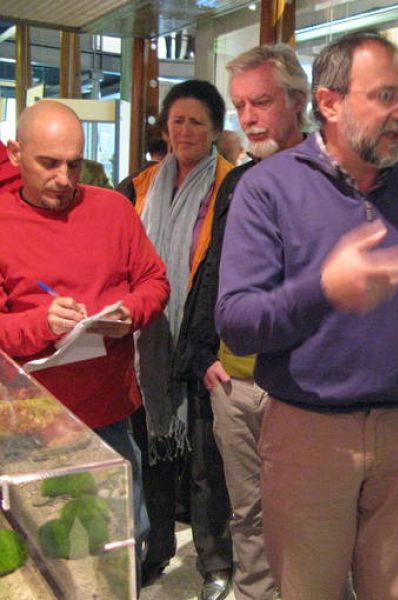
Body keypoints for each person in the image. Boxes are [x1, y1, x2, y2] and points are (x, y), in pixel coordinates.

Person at [216, 30, 398, 600]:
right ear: (329, 103)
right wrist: (324, 288)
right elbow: (235, 319)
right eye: (385, 96)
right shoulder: (268, 189)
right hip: (310, 434)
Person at [0, 100, 169, 577]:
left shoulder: (111, 209)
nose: (64, 178)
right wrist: (41, 323)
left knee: (121, 543)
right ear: (15, 154)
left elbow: (155, 281)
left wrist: (129, 314)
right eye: (48, 163)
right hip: (29, 422)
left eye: (74, 163)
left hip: (109, 414)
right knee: (44, 553)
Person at [172, 43, 309, 600]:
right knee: (247, 513)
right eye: (240, 106)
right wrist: (203, 355)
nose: (249, 117)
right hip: (234, 380)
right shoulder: (239, 181)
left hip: (302, 388)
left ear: (299, 102)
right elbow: (214, 274)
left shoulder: (332, 180)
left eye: (263, 101)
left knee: (308, 517)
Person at [129, 80, 235, 599]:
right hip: (147, 339)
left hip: (204, 341)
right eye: (177, 120)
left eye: (197, 121)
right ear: (165, 127)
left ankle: (215, 562)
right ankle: (156, 547)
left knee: (205, 462)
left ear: (215, 129)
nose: (185, 130)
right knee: (152, 451)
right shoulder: (141, 185)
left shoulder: (234, 185)